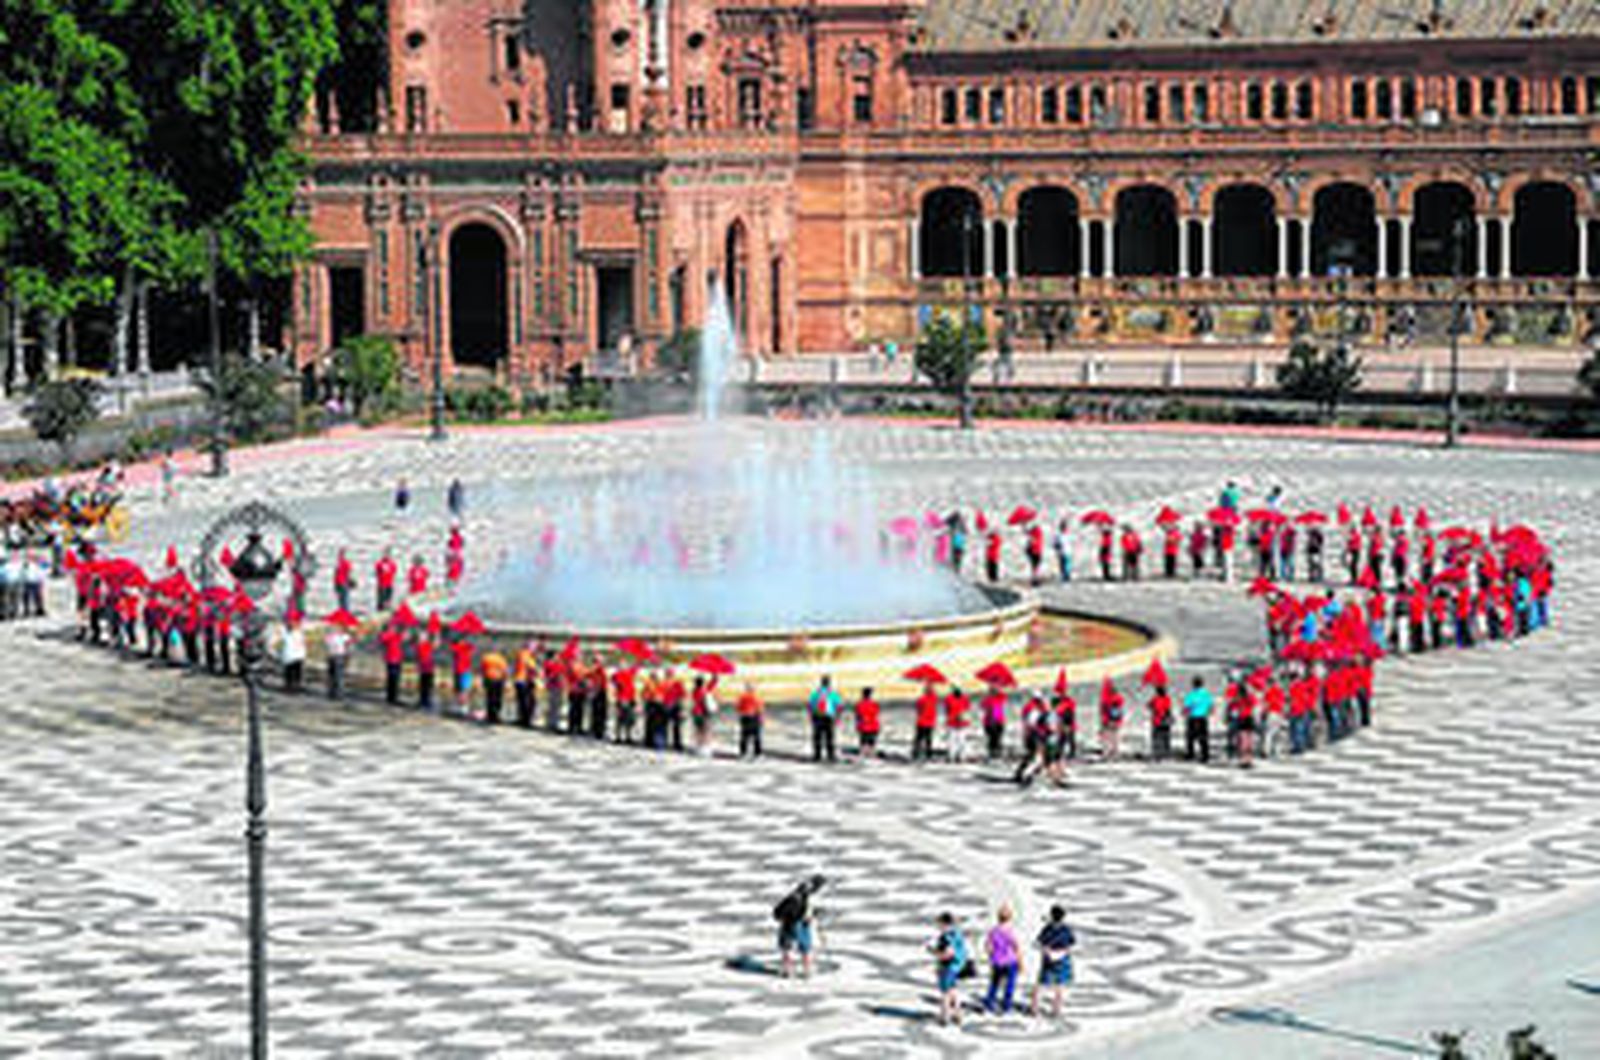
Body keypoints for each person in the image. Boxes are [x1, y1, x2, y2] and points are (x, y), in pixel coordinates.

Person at [774, 875, 825, 979]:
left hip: (793, 922)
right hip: (797, 922)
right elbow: (805, 908)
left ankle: (790, 970)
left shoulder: (799, 894)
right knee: (802, 947)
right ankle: (804, 970)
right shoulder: (803, 896)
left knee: (789, 947)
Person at [1030, 905, 1076, 1020]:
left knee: (1041, 984)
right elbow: (1072, 942)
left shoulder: (1048, 929)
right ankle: (1056, 1010)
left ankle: (1034, 1008)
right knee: (1059, 985)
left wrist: (1045, 949)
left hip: (1049, 959)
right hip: (1062, 959)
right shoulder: (1066, 929)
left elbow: (1040, 941)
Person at [929, 913, 969, 1026]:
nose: (938, 926)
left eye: (939, 924)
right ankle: (958, 1014)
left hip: (948, 967)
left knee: (945, 992)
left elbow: (948, 953)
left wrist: (934, 952)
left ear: (944, 924)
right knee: (953, 990)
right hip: (957, 966)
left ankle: (944, 1016)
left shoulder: (945, 937)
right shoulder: (957, 934)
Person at [983, 905, 1021, 1015]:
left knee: (994, 983)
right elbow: (1016, 947)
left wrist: (992, 956)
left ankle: (989, 1003)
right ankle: (1006, 1006)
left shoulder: (993, 931)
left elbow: (987, 946)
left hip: (997, 961)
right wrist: (1020, 962)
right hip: (1010, 961)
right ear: (1010, 918)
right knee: (1009, 985)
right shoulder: (1010, 931)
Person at [808, 675, 840, 763]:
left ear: (821, 683)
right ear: (829, 683)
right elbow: (838, 706)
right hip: (828, 717)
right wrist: (837, 717)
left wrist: (811, 716)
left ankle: (817, 755)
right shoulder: (833, 693)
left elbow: (810, 705)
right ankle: (831, 755)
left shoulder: (815, 693)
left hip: (818, 716)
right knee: (829, 736)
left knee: (817, 737)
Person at [1183, 675, 1213, 763]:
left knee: (1190, 737)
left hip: (1193, 717)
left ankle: (1190, 753)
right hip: (1203, 717)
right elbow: (1210, 705)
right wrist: (1209, 712)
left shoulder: (1191, 694)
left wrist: (1184, 712)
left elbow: (1187, 706)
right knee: (1203, 736)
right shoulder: (1206, 694)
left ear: (1193, 684)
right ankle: (1205, 754)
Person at [691, 675, 719, 757]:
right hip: (703, 712)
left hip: (695, 712)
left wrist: (714, 679)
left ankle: (698, 747)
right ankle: (705, 748)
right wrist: (715, 678)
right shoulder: (704, 691)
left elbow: (710, 686)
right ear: (702, 683)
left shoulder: (694, 691)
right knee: (705, 730)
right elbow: (711, 687)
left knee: (698, 730)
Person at [513, 641, 539, 727]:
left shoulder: (522, 653)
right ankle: (525, 720)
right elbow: (532, 667)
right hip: (523, 680)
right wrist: (537, 671)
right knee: (527, 701)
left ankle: (522, 719)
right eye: (535, 648)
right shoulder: (526, 654)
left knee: (522, 701)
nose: (535, 650)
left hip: (520, 680)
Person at [279, 615, 307, 693]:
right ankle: (289, 686)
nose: (293, 624)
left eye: (295, 623)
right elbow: (281, 631)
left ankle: (297, 685)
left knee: (298, 672)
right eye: (291, 623)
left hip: (298, 655)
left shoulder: (300, 632)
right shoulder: (286, 632)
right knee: (289, 672)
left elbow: (303, 642)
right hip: (288, 656)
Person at [912, 683, 939, 762]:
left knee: (919, 739)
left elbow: (918, 709)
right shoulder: (934, 699)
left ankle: (916, 753)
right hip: (930, 722)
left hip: (922, 722)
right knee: (928, 739)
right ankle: (928, 754)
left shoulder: (921, 699)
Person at [480, 648, 509, 724]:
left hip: (488, 679)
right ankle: (496, 716)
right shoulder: (501, 659)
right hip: (498, 679)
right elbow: (505, 670)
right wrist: (506, 680)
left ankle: (490, 715)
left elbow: (482, 669)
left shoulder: (486, 657)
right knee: (498, 698)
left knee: (489, 697)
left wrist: (483, 679)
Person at [1099, 677, 1125, 759]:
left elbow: (1105, 710)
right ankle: (1114, 751)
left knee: (1107, 737)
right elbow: (1119, 711)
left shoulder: (1108, 700)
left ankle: (1108, 752)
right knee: (1114, 737)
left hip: (1108, 721)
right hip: (1114, 721)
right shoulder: (1118, 699)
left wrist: (1108, 720)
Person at [736, 682, 764, 758]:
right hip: (754, 717)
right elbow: (760, 709)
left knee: (744, 736)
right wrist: (761, 719)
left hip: (745, 717)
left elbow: (738, 708)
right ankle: (758, 753)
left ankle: (743, 753)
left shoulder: (742, 697)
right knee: (756, 736)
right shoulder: (756, 697)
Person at [324, 622, 351, 700]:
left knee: (339, 675)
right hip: (332, 656)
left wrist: (347, 654)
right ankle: (331, 692)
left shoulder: (345, 636)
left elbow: (348, 645)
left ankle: (339, 693)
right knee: (331, 675)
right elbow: (327, 644)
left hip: (340, 656)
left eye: (339, 627)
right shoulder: (330, 635)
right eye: (336, 627)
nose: (337, 628)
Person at [450, 636, 476, 717]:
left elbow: (472, 649)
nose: (462, 642)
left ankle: (464, 707)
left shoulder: (468, 647)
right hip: (457, 671)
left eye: (463, 641)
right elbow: (452, 647)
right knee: (458, 689)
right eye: (460, 641)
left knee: (464, 690)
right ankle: (459, 706)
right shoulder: (457, 647)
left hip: (465, 671)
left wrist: (468, 642)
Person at [981, 684, 1007, 761]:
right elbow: (983, 707)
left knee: (998, 736)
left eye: (995, 690)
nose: (994, 691)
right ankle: (992, 752)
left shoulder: (1000, 698)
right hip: (990, 721)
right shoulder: (987, 699)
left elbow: (1003, 696)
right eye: (993, 690)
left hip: (998, 720)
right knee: (993, 737)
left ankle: (997, 751)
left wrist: (998, 686)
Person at [1148, 682, 1173, 761]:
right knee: (1166, 737)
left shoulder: (1155, 699)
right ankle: (1166, 753)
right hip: (1165, 720)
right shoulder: (1167, 699)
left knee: (1156, 738)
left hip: (1157, 720)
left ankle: (1157, 754)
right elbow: (1168, 709)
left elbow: (1149, 705)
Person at [854, 686, 881, 759]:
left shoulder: (859, 704)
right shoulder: (875, 704)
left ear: (863, 694)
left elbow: (858, 716)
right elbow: (876, 714)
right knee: (872, 744)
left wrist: (857, 726)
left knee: (863, 744)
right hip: (873, 726)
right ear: (870, 694)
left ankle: (863, 756)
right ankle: (872, 756)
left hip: (864, 726)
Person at [415, 633, 437, 711]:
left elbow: (435, 645)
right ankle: (424, 701)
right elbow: (421, 656)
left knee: (427, 686)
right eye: (421, 637)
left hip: (429, 668)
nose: (422, 639)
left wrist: (437, 635)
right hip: (425, 668)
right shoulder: (420, 646)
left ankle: (425, 701)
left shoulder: (426, 645)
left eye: (423, 637)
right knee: (424, 686)